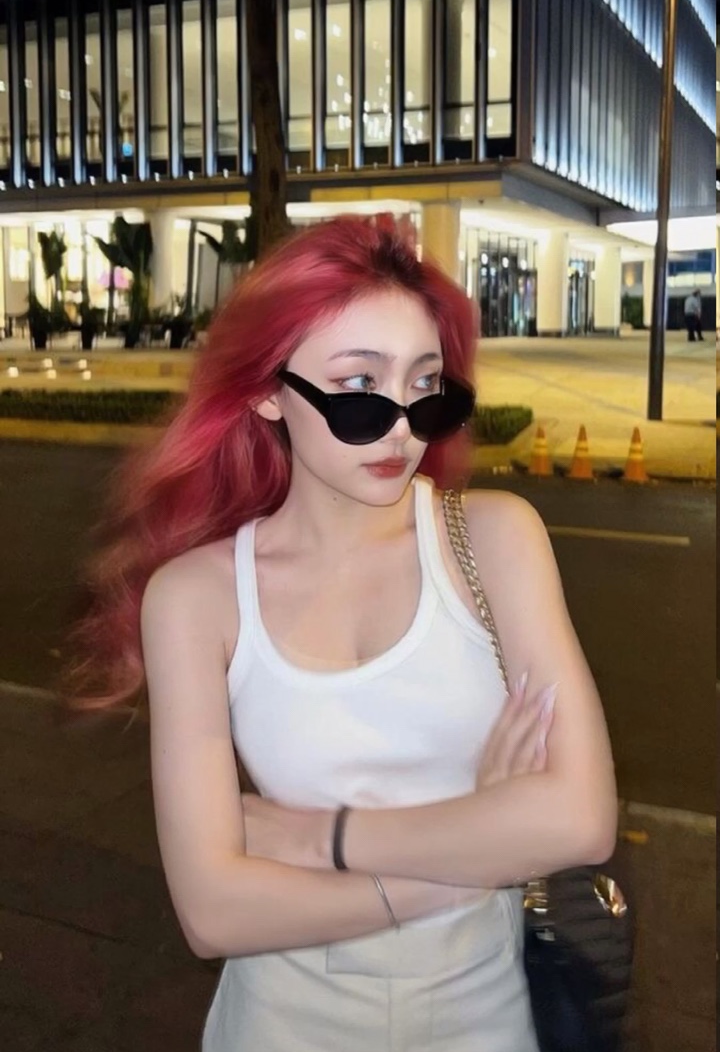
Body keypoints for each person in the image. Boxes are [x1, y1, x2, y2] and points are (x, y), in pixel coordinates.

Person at [69, 216, 617, 1052]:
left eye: (425, 384)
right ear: (267, 390)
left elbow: (580, 819)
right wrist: (472, 852)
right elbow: (214, 912)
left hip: (488, 1022)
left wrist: (322, 839)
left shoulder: (494, 540)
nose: (401, 425)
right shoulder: (198, 598)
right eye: (360, 386)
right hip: (281, 1028)